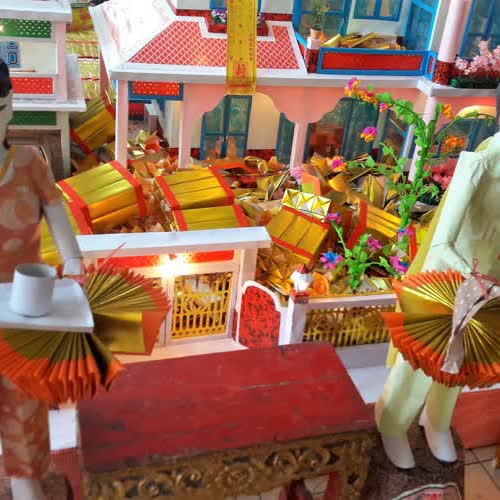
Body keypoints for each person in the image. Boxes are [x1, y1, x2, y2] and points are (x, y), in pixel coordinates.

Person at [375, 128, 500, 469]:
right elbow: (443, 242)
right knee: (422, 359)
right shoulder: (480, 165)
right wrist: (474, 277)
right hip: (447, 277)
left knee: (462, 359)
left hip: (488, 283)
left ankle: (437, 420)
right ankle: (392, 423)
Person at [0, 60, 82, 499]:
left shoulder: (29, 163)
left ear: (10, 106)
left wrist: (74, 262)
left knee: (23, 404)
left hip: (24, 307)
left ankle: (25, 478)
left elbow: (58, 218)